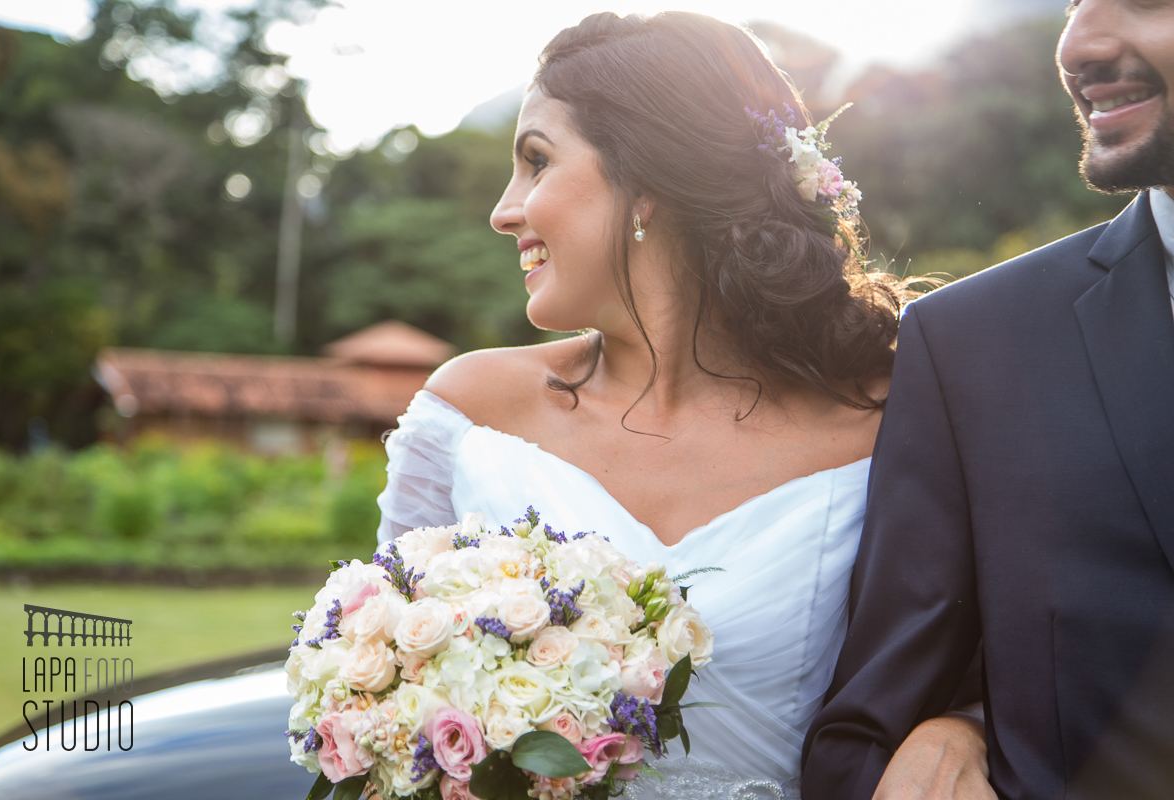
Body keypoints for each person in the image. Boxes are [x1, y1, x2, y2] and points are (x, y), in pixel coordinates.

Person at [374, 11, 993, 798]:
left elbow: (1016, 655)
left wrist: (964, 725)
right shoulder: (469, 416)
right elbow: (392, 705)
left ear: (650, 186)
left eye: (537, 162)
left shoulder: (890, 421)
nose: (504, 209)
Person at [800, 0, 1174, 798]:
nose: (1080, 43)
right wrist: (959, 725)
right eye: (1075, 3)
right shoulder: (972, 343)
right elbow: (868, 729)